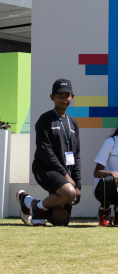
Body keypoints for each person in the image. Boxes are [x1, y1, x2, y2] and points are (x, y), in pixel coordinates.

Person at [17, 79, 81, 227]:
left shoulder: (73, 123)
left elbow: (76, 155)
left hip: (65, 175)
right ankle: (38, 209)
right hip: (45, 168)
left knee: (61, 220)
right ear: (52, 97)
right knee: (69, 193)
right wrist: (65, 175)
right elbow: (44, 150)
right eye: (60, 95)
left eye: (67, 95)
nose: (64, 99)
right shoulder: (45, 119)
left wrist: (78, 185)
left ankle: (29, 202)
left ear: (72, 96)